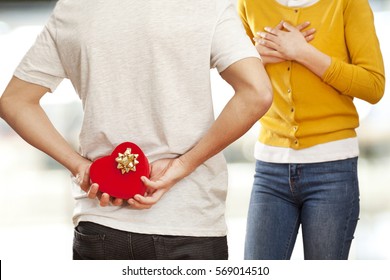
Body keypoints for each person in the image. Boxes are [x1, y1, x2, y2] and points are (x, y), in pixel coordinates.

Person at [0, 0, 272, 260]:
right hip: (188, 220)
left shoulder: (74, 7)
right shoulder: (205, 5)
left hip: (100, 223)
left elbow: (15, 102)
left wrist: (80, 166)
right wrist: (182, 165)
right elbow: (256, 93)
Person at [237, 0, 385, 260]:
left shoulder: (348, 3)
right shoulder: (249, 3)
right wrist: (254, 57)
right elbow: (233, 76)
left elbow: (373, 85)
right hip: (269, 170)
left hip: (333, 170)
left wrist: (302, 52)